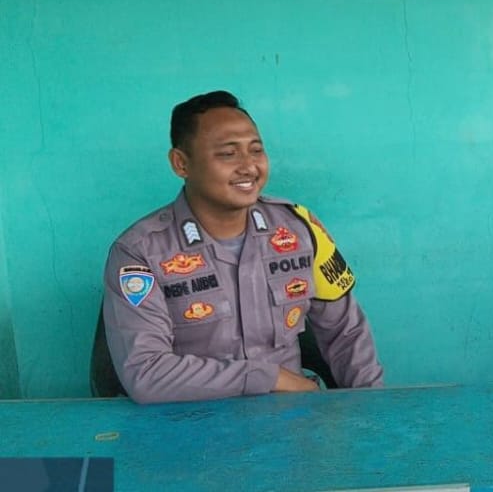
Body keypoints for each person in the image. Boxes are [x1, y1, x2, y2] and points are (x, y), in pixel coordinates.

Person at [101, 90, 384, 403]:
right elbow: (146, 373)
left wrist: (371, 410)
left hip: (292, 420)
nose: (248, 166)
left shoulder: (301, 229)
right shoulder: (139, 252)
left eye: (256, 150)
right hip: (191, 423)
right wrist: (270, 378)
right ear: (181, 164)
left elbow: (346, 333)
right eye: (228, 154)